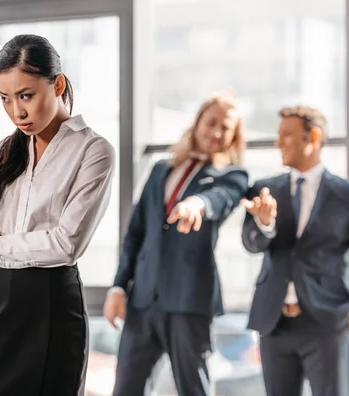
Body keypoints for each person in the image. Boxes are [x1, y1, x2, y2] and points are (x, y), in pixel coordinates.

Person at [0, 34, 115, 396]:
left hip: (49, 304)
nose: (17, 112)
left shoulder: (93, 150)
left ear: (58, 84)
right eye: (6, 99)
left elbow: (65, 245)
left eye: (26, 95)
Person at [104, 93, 249, 396]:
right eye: (211, 123)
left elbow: (220, 200)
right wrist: (119, 287)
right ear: (197, 123)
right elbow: (136, 233)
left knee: (193, 389)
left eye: (226, 128)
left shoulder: (232, 176)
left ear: (234, 137)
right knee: (125, 389)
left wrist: (197, 203)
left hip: (188, 301)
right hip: (142, 300)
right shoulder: (160, 170)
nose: (217, 132)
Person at [241, 105, 349, 396]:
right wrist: (265, 223)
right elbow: (251, 243)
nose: (278, 142)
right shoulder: (264, 190)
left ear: (314, 137)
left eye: (287, 135)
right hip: (274, 323)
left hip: (326, 324)